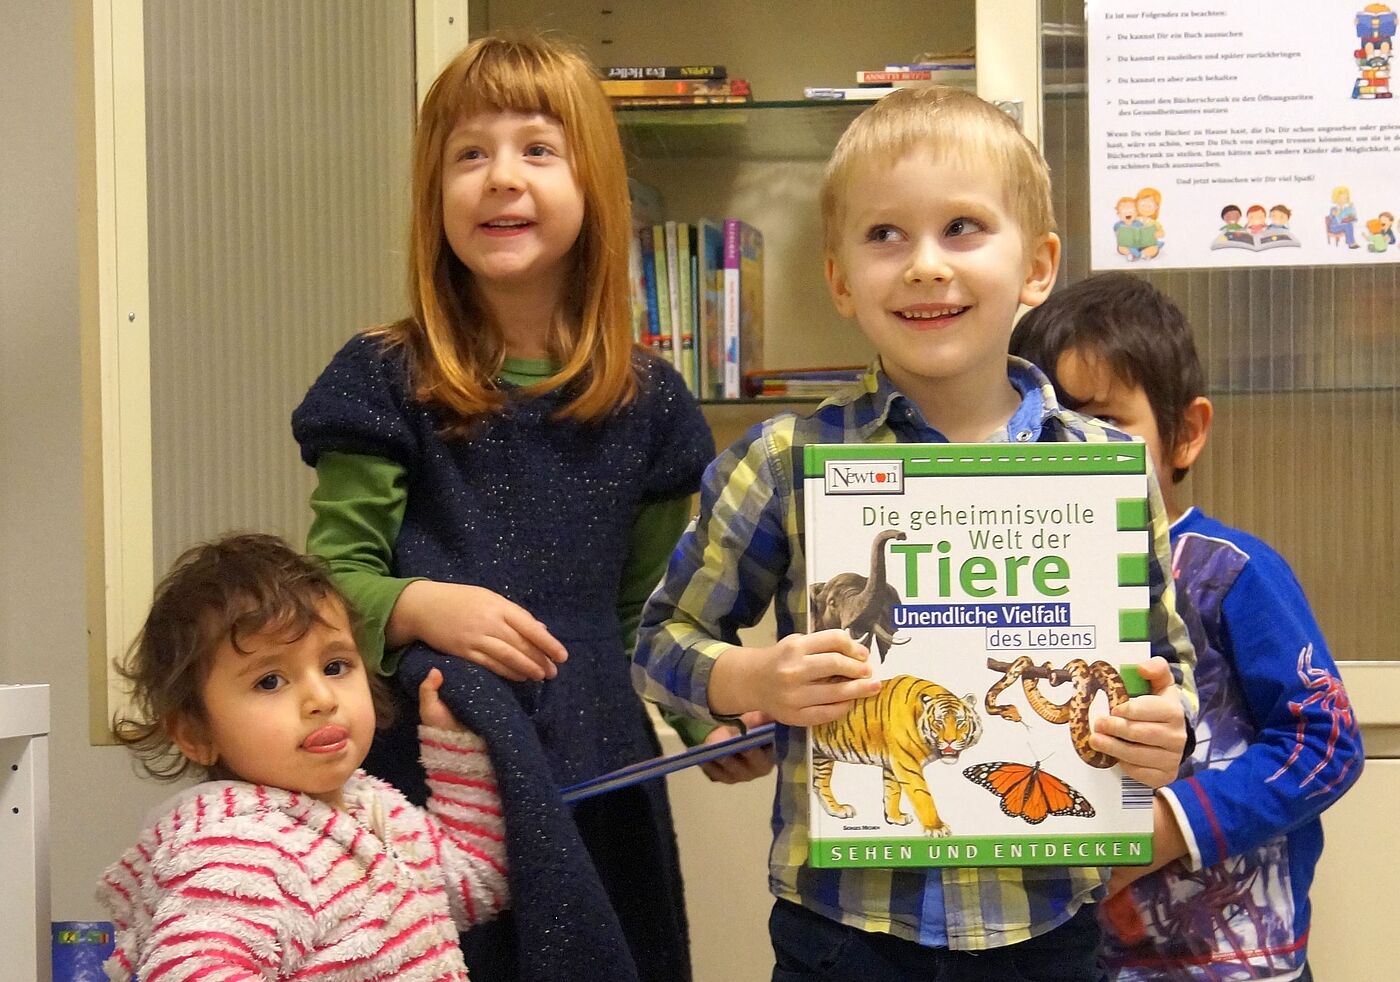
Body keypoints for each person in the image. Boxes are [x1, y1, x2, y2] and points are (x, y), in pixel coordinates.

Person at [634, 85, 1198, 981]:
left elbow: (1172, 669)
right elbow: (660, 640)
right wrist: (750, 678)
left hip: (1043, 933)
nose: (926, 265)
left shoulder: (1110, 468)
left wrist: (1168, 730)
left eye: (964, 228)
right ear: (840, 278)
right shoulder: (783, 459)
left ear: (1038, 266)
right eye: (884, 235)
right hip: (842, 935)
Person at [291, 31, 726, 982]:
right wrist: (419, 605)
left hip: (600, 770)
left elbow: (653, 617)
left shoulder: (651, 404)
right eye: (469, 154)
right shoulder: (380, 379)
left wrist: (708, 721)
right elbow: (330, 590)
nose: (500, 178)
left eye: (537, 148)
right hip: (430, 779)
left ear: (595, 190)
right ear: (434, 193)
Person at [1010, 272, 1364, 982]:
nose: (1070, 447)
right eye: (1038, 426)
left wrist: (1170, 827)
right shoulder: (1011, 583)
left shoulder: (1228, 572)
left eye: (1104, 423)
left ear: (1186, 433)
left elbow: (1326, 742)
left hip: (1232, 963)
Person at [98, 533, 508, 981]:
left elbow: (477, 883)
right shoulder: (237, 849)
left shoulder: (374, 807)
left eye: (336, 667)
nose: (321, 698)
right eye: (270, 681)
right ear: (196, 733)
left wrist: (455, 750)